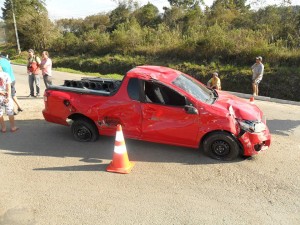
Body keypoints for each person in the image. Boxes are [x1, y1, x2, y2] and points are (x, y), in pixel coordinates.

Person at [0, 67, 19, 133]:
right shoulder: (6, 75)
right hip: (6, 95)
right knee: (10, 111)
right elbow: (8, 87)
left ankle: (3, 128)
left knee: (0, 113)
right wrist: (8, 97)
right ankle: (13, 127)